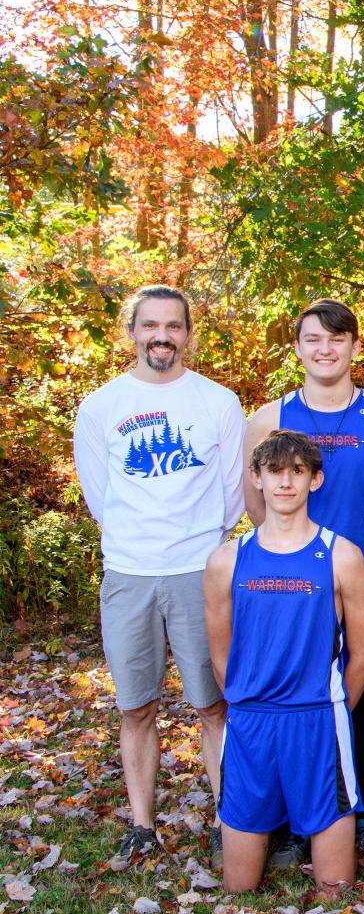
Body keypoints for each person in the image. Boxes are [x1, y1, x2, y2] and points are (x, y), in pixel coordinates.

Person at [73, 284, 246, 870]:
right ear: (133, 331)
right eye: (151, 325)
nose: (162, 337)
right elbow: (101, 495)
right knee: (136, 707)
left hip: (199, 570)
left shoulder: (218, 402)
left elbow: (230, 494)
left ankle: (230, 820)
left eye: (173, 326)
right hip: (129, 572)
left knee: (213, 705)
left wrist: (201, 544)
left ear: (188, 333)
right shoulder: (101, 407)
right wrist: (140, 540)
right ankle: (142, 826)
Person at [244, 299, 364, 871]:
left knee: (360, 698)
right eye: (313, 339)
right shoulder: (268, 419)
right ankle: (299, 821)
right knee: (300, 700)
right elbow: (254, 505)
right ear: (297, 347)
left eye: (337, 340)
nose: (325, 349)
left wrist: (363, 555)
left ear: (355, 349)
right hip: (292, 584)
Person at [203, 430, 364, 893]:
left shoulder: (342, 556)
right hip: (251, 723)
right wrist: (250, 699)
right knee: (238, 887)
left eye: (297, 471)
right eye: (275, 471)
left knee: (335, 889)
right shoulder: (227, 561)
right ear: (256, 478)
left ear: (315, 480)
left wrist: (332, 706)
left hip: (318, 720)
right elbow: (221, 657)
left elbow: (363, 657)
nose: (285, 482)